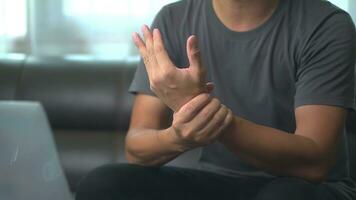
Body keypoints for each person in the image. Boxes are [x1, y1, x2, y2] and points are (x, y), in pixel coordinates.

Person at [76, 0, 356, 199]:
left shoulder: (326, 24)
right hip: (216, 182)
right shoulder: (173, 20)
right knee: (103, 184)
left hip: (305, 188)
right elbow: (136, 148)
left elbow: (314, 162)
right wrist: (179, 136)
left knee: (285, 195)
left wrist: (204, 112)